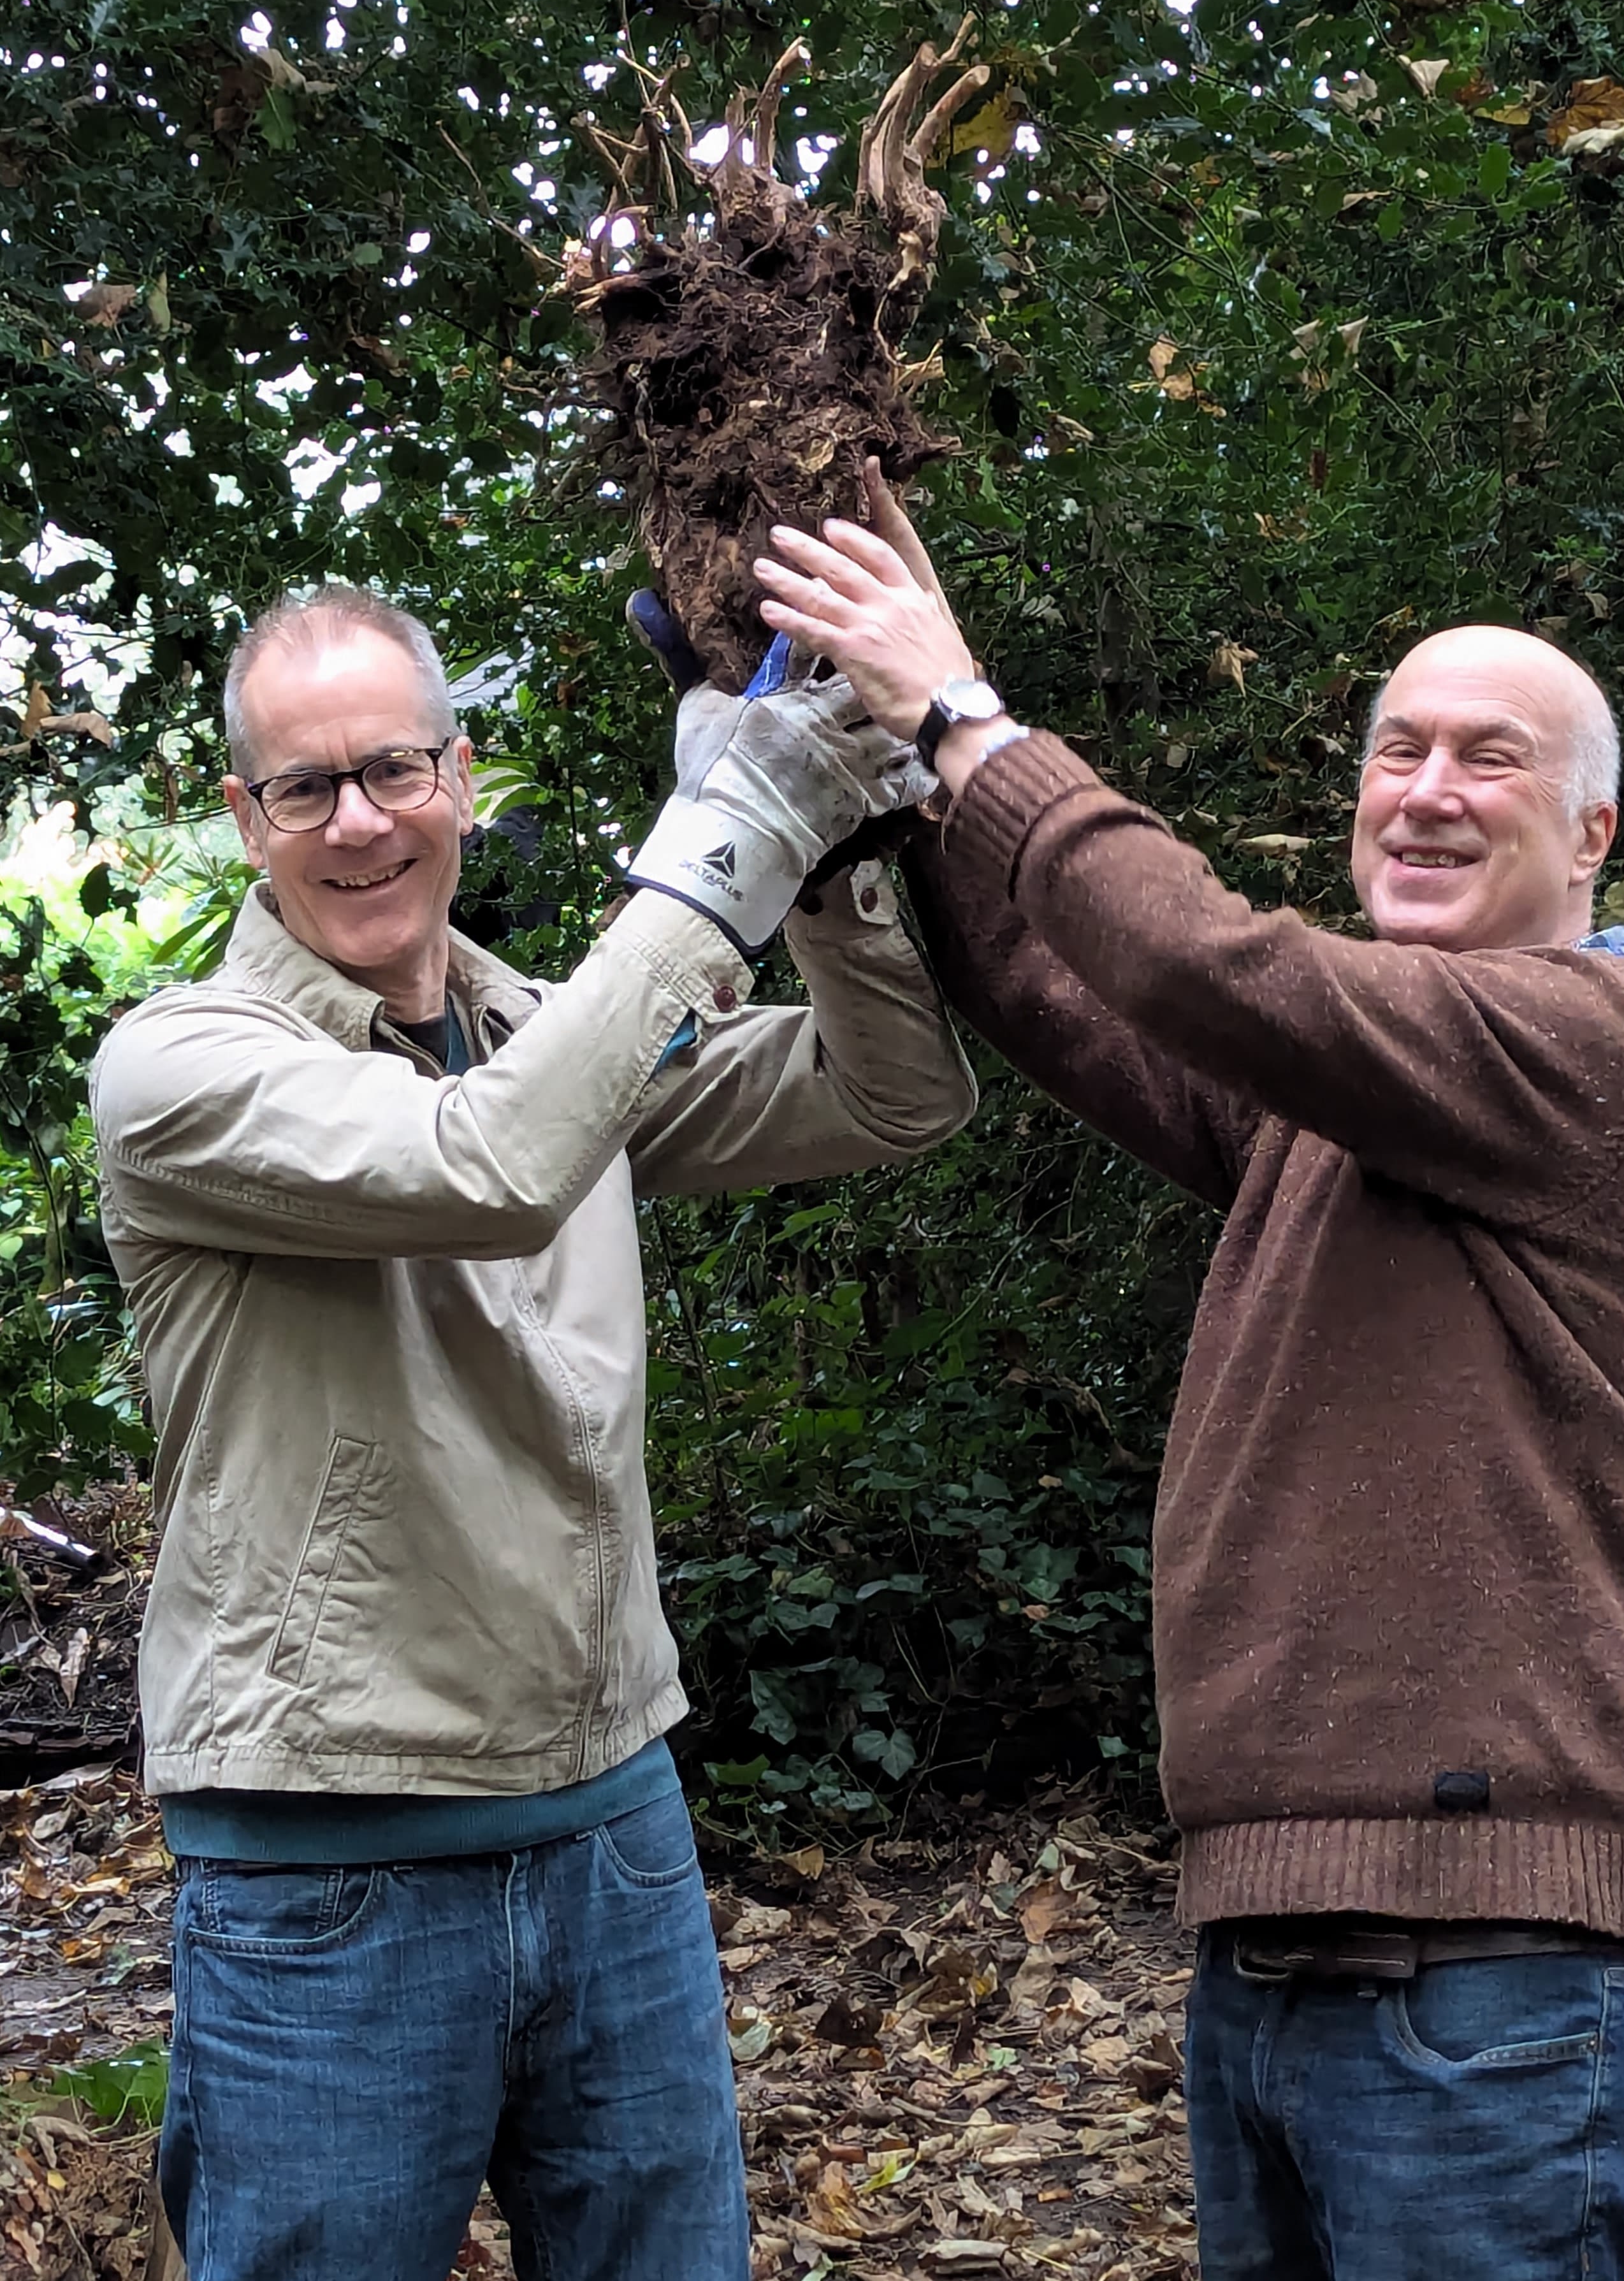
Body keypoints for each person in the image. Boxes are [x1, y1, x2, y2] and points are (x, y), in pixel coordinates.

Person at [753, 475, 1624, 2281]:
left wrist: (969, 718)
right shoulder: (1342, 1100)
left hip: (1503, 1977)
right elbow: (1073, 988)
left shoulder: (1607, 1052)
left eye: (1491, 760)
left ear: (1596, 829)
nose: (1429, 791)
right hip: (1273, 1954)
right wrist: (860, 753)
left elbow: (1207, 959)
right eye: (1398, 750)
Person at [89, 583, 976, 2281]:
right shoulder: (179, 1069)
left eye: (396, 769)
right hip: (330, 1870)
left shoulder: (548, 1036)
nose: (360, 821)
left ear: (463, 775)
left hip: (609, 1828)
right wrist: (735, 824)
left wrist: (833, 849)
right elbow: (488, 1169)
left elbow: (895, 1095)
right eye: (305, 787)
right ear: (242, 819)